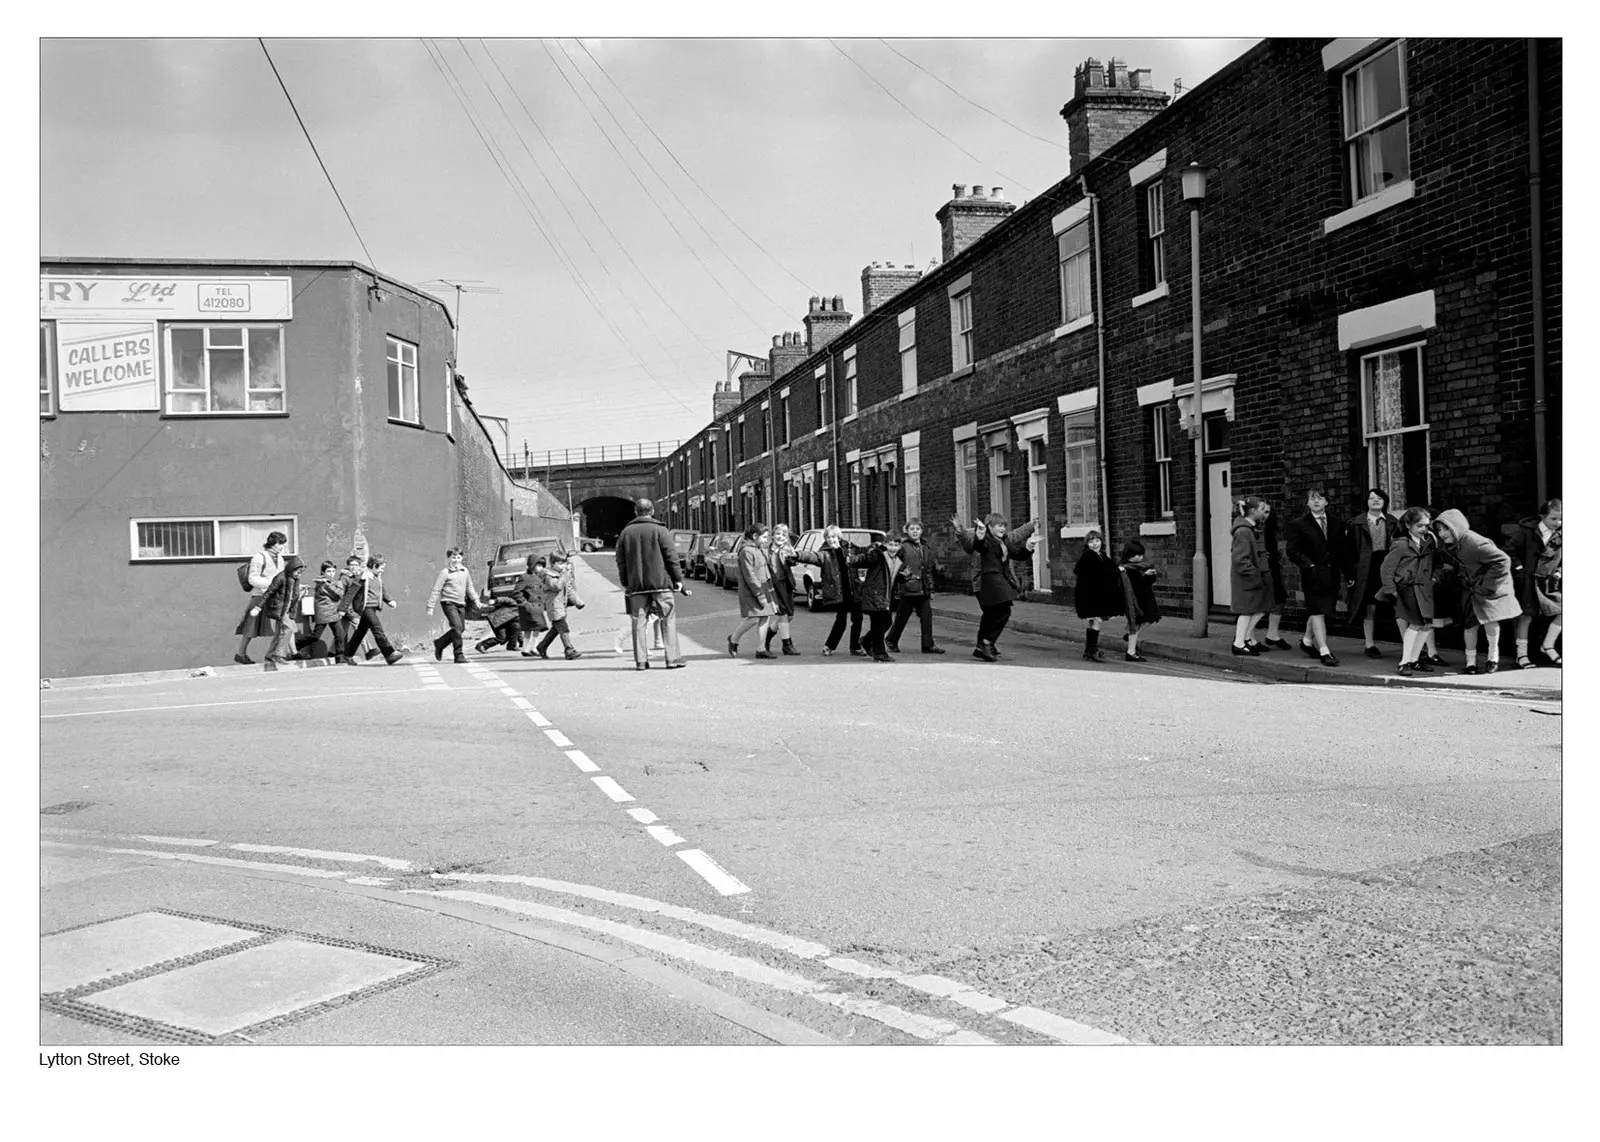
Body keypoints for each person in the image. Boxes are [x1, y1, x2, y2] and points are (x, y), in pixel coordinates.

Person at [1433, 508, 1521, 674]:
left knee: (1490, 621)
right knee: (1470, 625)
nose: (1442, 533)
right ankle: (1470, 662)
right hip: (1471, 589)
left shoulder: (1475, 543)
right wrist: (1454, 569)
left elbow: (1503, 561)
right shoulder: (1452, 545)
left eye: (1446, 528)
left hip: (1486, 590)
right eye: (1439, 530)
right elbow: (1468, 563)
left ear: (1457, 527)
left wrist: (1486, 586)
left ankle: (1493, 658)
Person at [613, 497, 688, 670]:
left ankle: (641, 661)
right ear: (652, 511)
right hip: (661, 583)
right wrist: (678, 580)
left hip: (636, 585)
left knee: (638, 622)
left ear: (635, 512)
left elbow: (620, 561)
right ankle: (671, 658)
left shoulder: (626, 532)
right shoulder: (661, 530)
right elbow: (671, 557)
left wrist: (626, 582)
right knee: (668, 619)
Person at [951, 513, 1038, 662]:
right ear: (990, 527)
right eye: (999, 525)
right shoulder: (984, 541)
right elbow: (972, 543)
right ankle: (986, 643)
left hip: (999, 581)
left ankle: (983, 645)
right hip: (985, 583)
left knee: (991, 614)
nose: (1003, 528)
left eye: (1004, 525)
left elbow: (1017, 550)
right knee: (1000, 612)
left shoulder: (1004, 541)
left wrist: (1029, 545)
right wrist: (961, 530)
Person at [791, 525, 868, 657]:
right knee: (841, 621)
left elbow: (864, 552)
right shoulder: (825, 553)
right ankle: (829, 646)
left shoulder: (850, 549)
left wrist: (878, 546)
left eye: (833, 536)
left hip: (854, 590)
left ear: (839, 537)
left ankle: (855, 647)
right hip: (839, 592)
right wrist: (797, 554)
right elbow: (812, 556)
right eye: (828, 537)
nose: (831, 539)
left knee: (858, 619)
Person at [1284, 487, 1341, 666]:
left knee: (1322, 610)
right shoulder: (1299, 524)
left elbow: (1343, 549)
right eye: (1312, 499)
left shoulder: (1337, 523)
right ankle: (1324, 650)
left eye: (1320, 498)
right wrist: (1309, 565)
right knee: (1317, 611)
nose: (1316, 501)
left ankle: (1307, 641)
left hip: (1332, 574)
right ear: (1308, 503)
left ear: (1326, 502)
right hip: (1312, 575)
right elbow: (1292, 550)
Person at [1378, 507, 1438, 676]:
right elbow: (1386, 569)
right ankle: (1404, 662)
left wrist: (1435, 578)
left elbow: (1436, 565)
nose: (1424, 529)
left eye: (1426, 526)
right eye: (1420, 526)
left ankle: (1414, 660)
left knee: (1426, 625)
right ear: (1408, 525)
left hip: (1425, 589)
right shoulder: (1401, 544)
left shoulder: (1428, 542)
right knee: (1415, 624)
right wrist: (1391, 590)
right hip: (1407, 589)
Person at [1342, 489, 1401, 658]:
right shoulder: (1356, 523)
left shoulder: (1392, 522)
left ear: (1385, 501)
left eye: (1379, 498)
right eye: (1371, 498)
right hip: (1366, 569)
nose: (1375, 500)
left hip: (1388, 565)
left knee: (1398, 603)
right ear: (1366, 502)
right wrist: (1351, 575)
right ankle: (1369, 644)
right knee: (1370, 607)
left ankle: (1409, 644)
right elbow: (1348, 552)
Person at [1509, 499, 1562, 668]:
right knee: (1526, 617)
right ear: (1542, 517)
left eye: (1561, 519)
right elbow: (1510, 550)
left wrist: (1560, 571)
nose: (1558, 523)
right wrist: (1519, 568)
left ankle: (1547, 645)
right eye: (1553, 519)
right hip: (1529, 581)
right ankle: (1521, 655)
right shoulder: (1527, 531)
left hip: (1549, 582)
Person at [886, 520, 945, 655]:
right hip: (908, 588)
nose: (915, 531)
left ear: (922, 531)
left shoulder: (925, 547)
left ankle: (928, 645)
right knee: (902, 617)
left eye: (917, 529)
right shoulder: (903, 547)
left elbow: (928, 570)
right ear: (906, 531)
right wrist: (900, 577)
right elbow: (894, 563)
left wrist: (931, 589)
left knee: (927, 616)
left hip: (922, 588)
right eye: (912, 529)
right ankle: (891, 640)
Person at [234, 530, 289, 664]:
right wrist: (271, 583)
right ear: (272, 543)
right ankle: (241, 654)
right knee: (251, 626)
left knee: (285, 624)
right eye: (280, 543)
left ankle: (281, 653)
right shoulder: (259, 557)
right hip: (260, 595)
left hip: (275, 596)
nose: (282, 546)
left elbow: (281, 578)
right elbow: (253, 579)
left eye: (283, 544)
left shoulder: (280, 559)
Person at [425, 547, 486, 665]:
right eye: (453, 557)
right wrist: (430, 606)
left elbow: (469, 587)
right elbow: (436, 589)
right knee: (457, 627)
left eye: (458, 557)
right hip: (448, 602)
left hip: (461, 603)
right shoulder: (445, 572)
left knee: (460, 628)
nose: (456, 560)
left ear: (462, 558)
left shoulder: (465, 571)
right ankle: (459, 655)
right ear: (449, 559)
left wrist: (476, 599)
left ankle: (440, 643)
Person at [343, 553, 405, 665]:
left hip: (373, 608)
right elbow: (351, 592)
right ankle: (389, 654)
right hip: (365, 608)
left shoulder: (377, 578)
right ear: (374, 565)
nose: (382, 570)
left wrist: (389, 600)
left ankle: (347, 655)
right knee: (377, 629)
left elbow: (382, 590)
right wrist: (343, 608)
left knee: (360, 633)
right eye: (381, 568)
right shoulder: (363, 577)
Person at [1229, 497, 1273, 656]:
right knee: (1247, 611)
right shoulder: (1243, 531)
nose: (1264, 513)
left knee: (1258, 609)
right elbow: (1240, 560)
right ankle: (1239, 643)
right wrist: (1255, 574)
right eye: (1262, 509)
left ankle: (1245, 640)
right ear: (1253, 511)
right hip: (1248, 579)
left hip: (1253, 578)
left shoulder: (1250, 529)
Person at [729, 524, 778, 659]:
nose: (766, 540)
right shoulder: (746, 551)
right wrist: (760, 594)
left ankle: (761, 649)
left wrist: (771, 593)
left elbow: (766, 571)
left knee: (765, 616)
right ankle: (733, 639)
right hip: (751, 591)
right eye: (764, 537)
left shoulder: (757, 549)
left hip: (763, 588)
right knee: (754, 618)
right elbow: (749, 575)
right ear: (755, 536)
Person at [1073, 530, 1122, 663]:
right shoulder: (1089, 556)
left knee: (1093, 621)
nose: (1095, 544)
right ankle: (1092, 650)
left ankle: (1089, 650)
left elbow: (1108, 568)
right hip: (1090, 595)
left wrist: (1117, 569)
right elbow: (1101, 572)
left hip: (1095, 594)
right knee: (1096, 620)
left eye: (1097, 540)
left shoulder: (1100, 555)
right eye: (1091, 541)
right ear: (1087, 544)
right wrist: (1117, 570)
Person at [527, 553, 584, 660]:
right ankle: (569, 650)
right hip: (553, 606)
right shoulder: (548, 575)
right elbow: (557, 586)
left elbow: (569, 589)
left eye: (563, 563)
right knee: (563, 628)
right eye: (560, 563)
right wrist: (565, 575)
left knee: (556, 629)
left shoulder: (559, 574)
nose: (562, 566)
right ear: (552, 563)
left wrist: (578, 602)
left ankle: (542, 646)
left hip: (560, 606)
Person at [253, 555, 306, 669]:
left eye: (300, 572)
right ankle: (279, 654)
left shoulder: (295, 579)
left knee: (279, 633)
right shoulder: (280, 577)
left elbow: (294, 595)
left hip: (286, 609)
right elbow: (269, 592)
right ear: (292, 569)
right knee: (289, 628)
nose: (298, 575)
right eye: (297, 572)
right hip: (277, 609)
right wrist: (258, 607)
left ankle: (269, 655)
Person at [1117, 539, 1162, 662]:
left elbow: (1147, 582)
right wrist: (1144, 576)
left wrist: (1150, 575)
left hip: (1146, 599)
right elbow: (1133, 585)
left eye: (1142, 554)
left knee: (1153, 617)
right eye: (1139, 555)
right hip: (1135, 602)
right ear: (1130, 555)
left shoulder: (1139, 567)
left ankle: (1130, 636)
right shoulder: (1124, 569)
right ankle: (1131, 653)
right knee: (1135, 624)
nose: (1141, 557)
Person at [763, 523, 805, 656]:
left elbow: (794, 562)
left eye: (783, 534)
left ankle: (767, 636)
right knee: (783, 614)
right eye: (777, 534)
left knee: (789, 615)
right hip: (772, 585)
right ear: (772, 536)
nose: (780, 537)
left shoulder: (787, 549)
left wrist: (792, 557)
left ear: (786, 537)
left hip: (785, 585)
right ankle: (787, 645)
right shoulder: (766, 550)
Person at [302, 560, 350, 663]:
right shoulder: (321, 583)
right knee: (315, 636)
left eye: (333, 571)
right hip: (323, 613)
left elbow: (340, 594)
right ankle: (295, 646)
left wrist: (331, 584)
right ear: (323, 572)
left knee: (340, 634)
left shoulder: (334, 582)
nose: (331, 574)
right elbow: (337, 594)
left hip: (333, 612)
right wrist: (328, 584)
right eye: (329, 571)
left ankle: (340, 656)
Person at [1260, 508, 1291, 650]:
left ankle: (1272, 634)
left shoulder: (1271, 530)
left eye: (1268, 512)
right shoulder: (1255, 530)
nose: (1265, 515)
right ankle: (1245, 636)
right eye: (1262, 512)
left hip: (1273, 568)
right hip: (1262, 571)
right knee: (1258, 604)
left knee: (1279, 599)